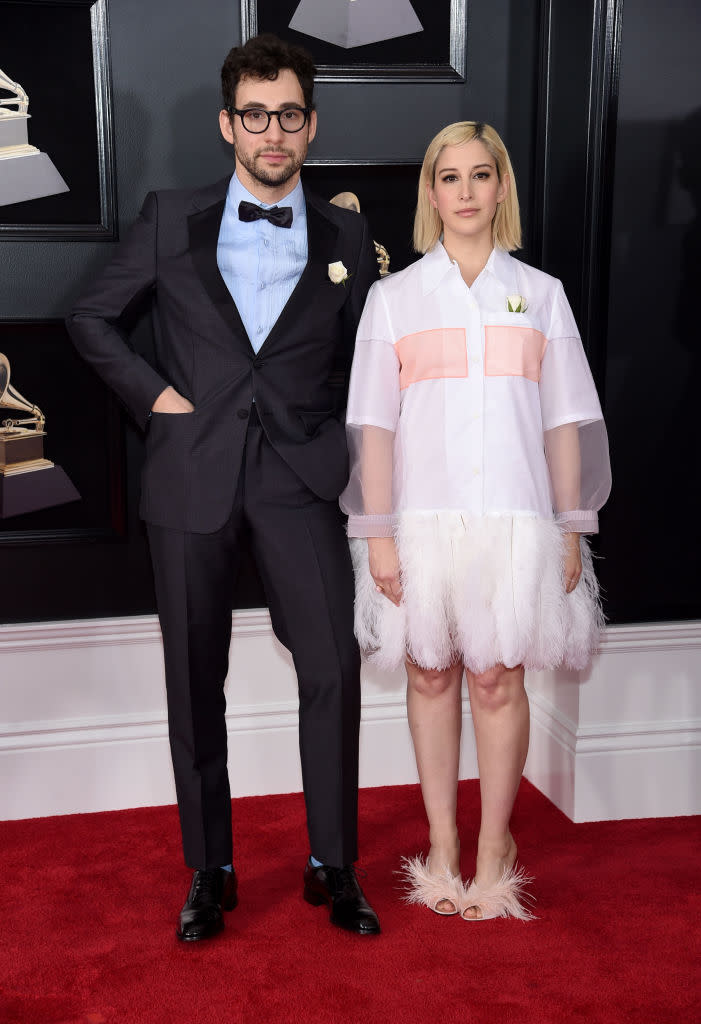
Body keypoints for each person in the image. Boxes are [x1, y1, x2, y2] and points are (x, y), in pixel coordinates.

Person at [67, 34, 381, 940]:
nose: (272, 131)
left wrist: (339, 440)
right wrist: (157, 400)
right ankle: (212, 870)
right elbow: (91, 317)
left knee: (331, 670)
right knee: (193, 679)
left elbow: (368, 356)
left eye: (289, 114)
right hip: (191, 476)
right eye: (255, 114)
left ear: (310, 125)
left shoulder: (348, 234)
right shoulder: (172, 216)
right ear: (226, 124)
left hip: (299, 480)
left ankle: (334, 865)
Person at [340, 121, 611, 920]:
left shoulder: (542, 296)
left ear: (500, 189)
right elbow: (372, 429)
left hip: (516, 524)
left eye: (479, 175)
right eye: (448, 177)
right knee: (429, 672)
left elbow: (565, 421)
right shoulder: (392, 300)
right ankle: (443, 843)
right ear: (431, 193)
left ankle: (495, 842)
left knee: (497, 678)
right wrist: (378, 536)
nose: (464, 192)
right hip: (417, 525)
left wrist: (570, 525)